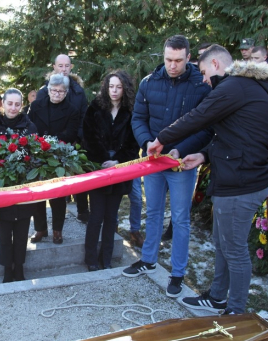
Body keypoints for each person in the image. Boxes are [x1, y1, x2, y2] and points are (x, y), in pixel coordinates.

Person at [148, 44, 268, 314]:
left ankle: (236, 311)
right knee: (222, 243)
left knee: (235, 249)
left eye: (205, 72)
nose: (205, 79)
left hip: (241, 183)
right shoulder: (246, 87)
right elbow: (238, 135)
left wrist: (161, 139)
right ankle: (218, 297)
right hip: (236, 176)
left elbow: (198, 117)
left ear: (216, 65)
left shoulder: (233, 87)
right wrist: (204, 155)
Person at [122, 35, 213, 299]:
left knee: (181, 218)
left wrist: (181, 150)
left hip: (182, 163)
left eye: (178, 61)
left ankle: (177, 274)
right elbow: (138, 118)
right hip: (152, 159)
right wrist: (147, 141)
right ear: (163, 57)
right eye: (168, 60)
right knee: (153, 212)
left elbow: (206, 127)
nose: (172, 65)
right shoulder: (149, 82)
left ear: (188, 57)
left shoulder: (201, 85)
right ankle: (148, 259)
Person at [83, 70, 139, 271]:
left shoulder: (132, 111)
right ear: (106, 88)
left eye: (119, 87)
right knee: (96, 216)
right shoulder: (95, 107)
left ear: (125, 89)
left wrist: (118, 161)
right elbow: (88, 138)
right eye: (111, 86)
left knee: (111, 217)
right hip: (99, 169)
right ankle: (90, 259)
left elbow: (134, 143)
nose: (114, 91)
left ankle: (105, 258)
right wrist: (104, 160)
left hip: (120, 171)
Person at [0, 88, 39, 283]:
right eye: (9, 103)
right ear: (2, 104)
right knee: (4, 232)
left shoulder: (29, 126)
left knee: (22, 231)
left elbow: (35, 154)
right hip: (1, 188)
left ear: (21, 105)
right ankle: (7, 270)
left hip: (23, 187)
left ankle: (20, 268)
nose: (13, 108)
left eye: (17, 104)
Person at [37, 54, 90, 223]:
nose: (64, 69)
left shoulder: (78, 91)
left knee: (79, 176)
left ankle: (82, 210)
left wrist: (78, 138)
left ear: (71, 67)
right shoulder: (45, 90)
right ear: (54, 67)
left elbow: (83, 117)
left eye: (67, 66)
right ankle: (50, 219)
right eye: (60, 66)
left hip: (74, 141)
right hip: (47, 144)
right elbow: (39, 116)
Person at [29, 73, 80, 244]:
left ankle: (57, 230)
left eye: (60, 91)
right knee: (37, 194)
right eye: (53, 90)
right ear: (48, 90)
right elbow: (29, 127)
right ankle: (40, 229)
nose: (56, 94)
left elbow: (72, 132)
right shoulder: (36, 106)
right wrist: (38, 143)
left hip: (59, 156)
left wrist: (52, 141)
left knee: (58, 195)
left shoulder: (72, 110)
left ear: (66, 92)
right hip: (38, 155)